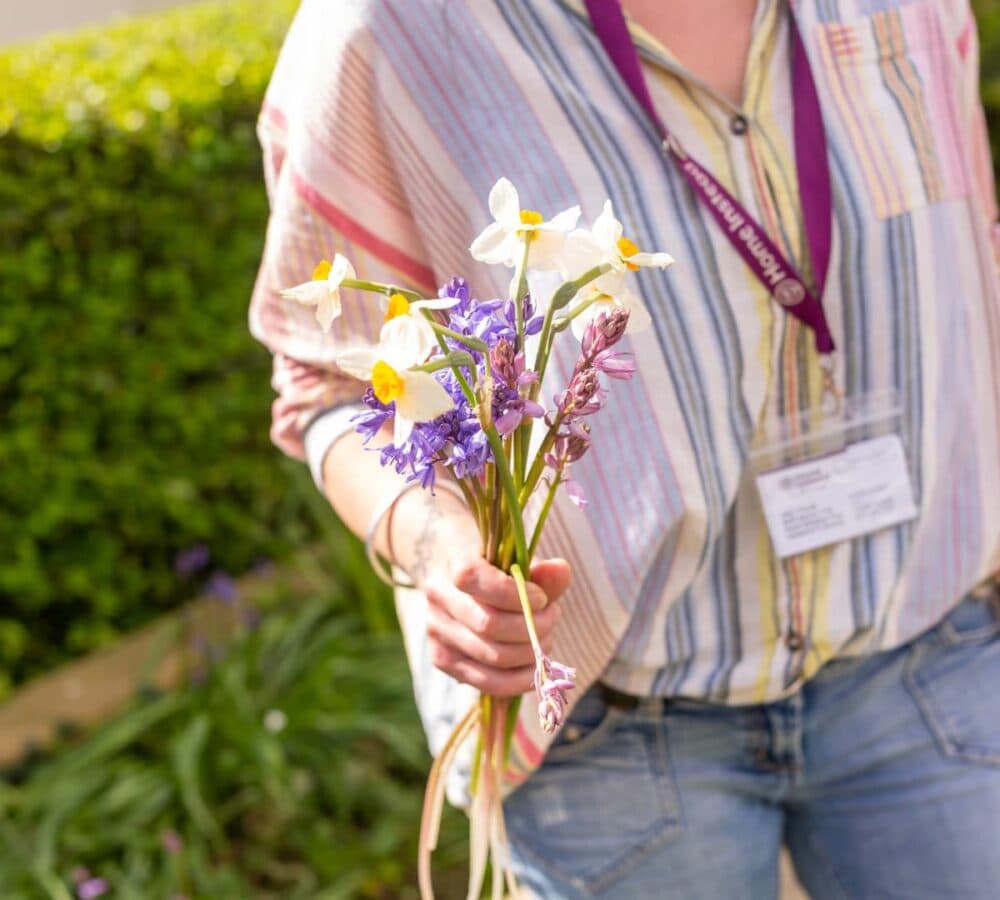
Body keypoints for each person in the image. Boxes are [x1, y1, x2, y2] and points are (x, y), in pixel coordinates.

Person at [250, 0, 1000, 896]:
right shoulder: (390, 29)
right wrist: (434, 544)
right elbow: (332, 381)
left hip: (928, 650)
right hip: (610, 728)